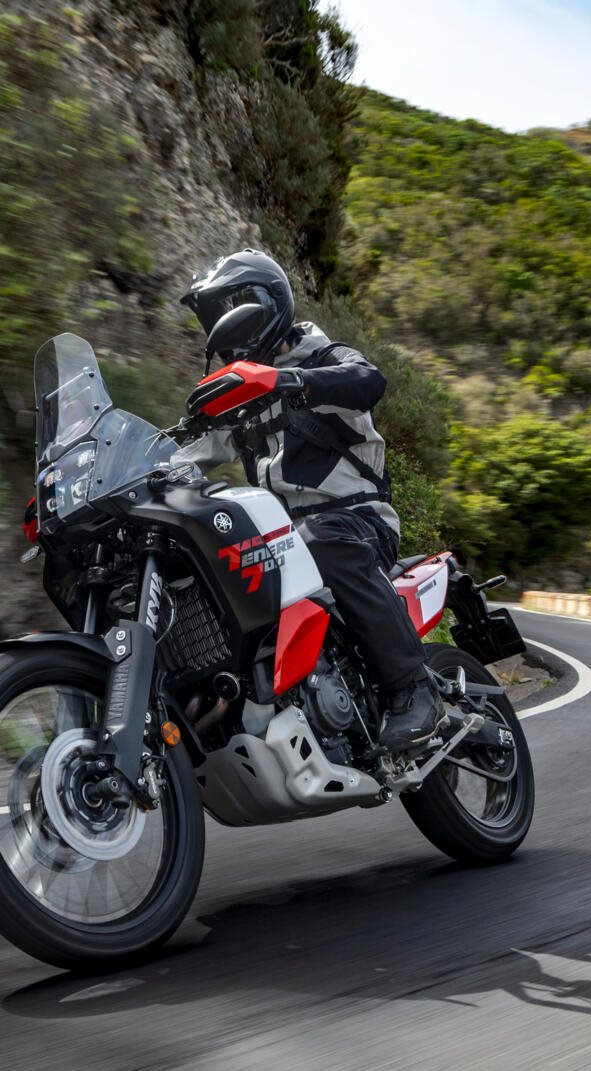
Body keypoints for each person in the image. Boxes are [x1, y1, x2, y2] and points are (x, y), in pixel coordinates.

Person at [176, 248, 445, 754]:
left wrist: (289, 381)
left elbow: (369, 381)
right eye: (213, 318)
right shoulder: (236, 396)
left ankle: (414, 688)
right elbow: (185, 454)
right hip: (283, 541)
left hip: (357, 522)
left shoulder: (323, 357)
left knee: (320, 538)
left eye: (229, 311)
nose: (222, 329)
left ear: (264, 306)